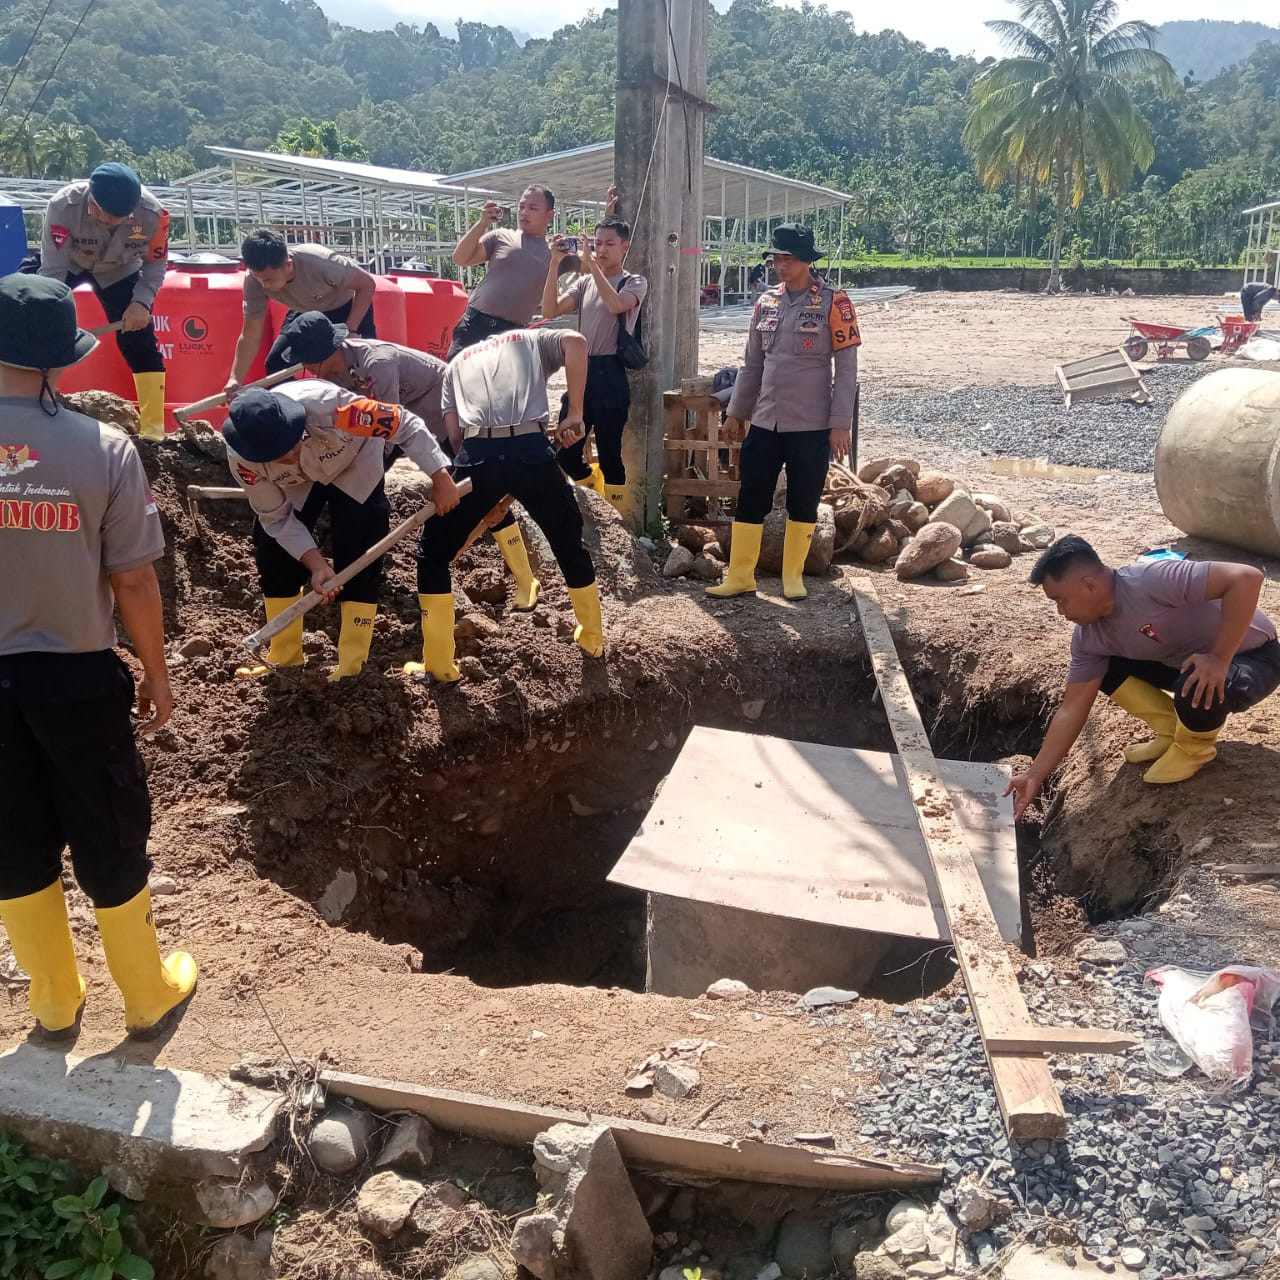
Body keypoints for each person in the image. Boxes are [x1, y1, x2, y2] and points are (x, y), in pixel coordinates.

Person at [0, 274, 196, 1040]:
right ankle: (145, 995)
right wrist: (156, 671)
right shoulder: (104, 448)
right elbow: (135, 581)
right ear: (61, 359)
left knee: (11, 834)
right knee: (108, 827)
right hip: (77, 677)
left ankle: (52, 1001)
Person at [275, 311, 541, 610]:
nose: (310, 370)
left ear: (329, 351)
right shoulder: (331, 374)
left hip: (445, 421)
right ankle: (354, 562)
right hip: (403, 427)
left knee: (483, 495)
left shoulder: (378, 363)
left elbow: (386, 428)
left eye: (311, 363)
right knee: (359, 493)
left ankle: (525, 578)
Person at [1006, 537, 1280, 818]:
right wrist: (1034, 775)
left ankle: (1194, 749)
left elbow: (1247, 578)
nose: (1061, 612)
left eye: (1061, 600)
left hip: (1252, 657)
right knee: (1107, 667)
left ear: (1089, 585)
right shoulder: (1089, 639)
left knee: (1195, 684)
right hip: (1186, 664)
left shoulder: (1152, 580)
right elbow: (1072, 708)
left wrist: (1219, 659)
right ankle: (1171, 728)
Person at [224, 380, 460, 681]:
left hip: (355, 462)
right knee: (273, 551)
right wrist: (316, 563)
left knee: (360, 544)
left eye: (290, 443)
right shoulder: (242, 459)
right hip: (296, 482)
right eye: (276, 454)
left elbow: (404, 423)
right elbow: (276, 517)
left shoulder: (335, 408)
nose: (289, 454)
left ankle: (352, 664)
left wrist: (440, 477)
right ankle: (284, 655)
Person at [409, 328, 603, 682]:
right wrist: (574, 412)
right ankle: (592, 640)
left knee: (433, 555)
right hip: (531, 450)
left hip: (477, 456)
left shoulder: (454, 365)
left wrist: (485, 495)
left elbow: (454, 436)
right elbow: (577, 342)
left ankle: (438, 664)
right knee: (568, 545)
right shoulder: (527, 340)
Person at [709, 223, 860, 601]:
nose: (779, 265)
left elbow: (847, 369)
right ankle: (741, 575)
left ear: (806, 260)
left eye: (787, 258)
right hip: (765, 419)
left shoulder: (834, 302)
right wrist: (735, 413)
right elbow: (751, 365)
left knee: (803, 498)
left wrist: (840, 423)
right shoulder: (766, 302)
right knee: (752, 495)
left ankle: (793, 576)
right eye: (775, 258)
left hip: (810, 422)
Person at [38, 163, 170, 441]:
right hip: (69, 265)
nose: (111, 223)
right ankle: (34, 407)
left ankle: (154, 432)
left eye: (120, 219)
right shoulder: (63, 206)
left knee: (140, 340)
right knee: (31, 317)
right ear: (92, 201)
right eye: (106, 216)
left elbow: (156, 266)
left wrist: (141, 303)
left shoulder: (154, 214)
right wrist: (48, 314)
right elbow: (53, 272)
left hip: (120, 271)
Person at [541, 216, 647, 510]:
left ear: (624, 246)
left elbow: (615, 305)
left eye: (609, 244)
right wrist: (554, 265)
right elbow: (549, 309)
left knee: (610, 453)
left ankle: (620, 520)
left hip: (611, 372)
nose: (601, 250)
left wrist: (593, 267)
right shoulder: (585, 282)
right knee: (565, 451)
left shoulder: (634, 282)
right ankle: (597, 497)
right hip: (580, 371)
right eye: (597, 243)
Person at [224, 230, 377, 391]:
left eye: (269, 279)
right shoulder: (253, 282)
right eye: (259, 278)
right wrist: (235, 378)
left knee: (361, 368)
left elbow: (367, 284)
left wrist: (351, 329)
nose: (264, 286)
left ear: (288, 265)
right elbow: (250, 334)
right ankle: (296, 410)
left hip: (346, 307)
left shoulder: (321, 262)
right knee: (277, 364)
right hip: (306, 313)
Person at [448, 186, 571, 357]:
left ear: (550, 215)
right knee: (457, 380)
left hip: (512, 335)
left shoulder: (557, 253)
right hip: (475, 324)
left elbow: (601, 260)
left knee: (502, 384)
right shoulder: (501, 236)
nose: (524, 213)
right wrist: (482, 223)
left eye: (533, 208)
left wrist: (612, 215)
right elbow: (460, 259)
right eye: (521, 207)